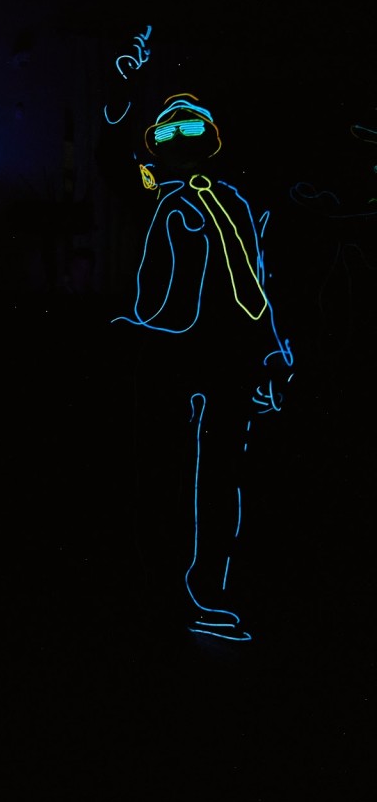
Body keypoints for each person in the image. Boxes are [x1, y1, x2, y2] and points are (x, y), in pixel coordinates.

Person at [113, 93, 291, 641]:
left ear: (208, 139)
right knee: (164, 473)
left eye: (188, 131)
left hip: (227, 357)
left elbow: (253, 279)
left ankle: (207, 590)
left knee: (219, 475)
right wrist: (120, 97)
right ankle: (165, 593)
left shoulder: (231, 200)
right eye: (165, 134)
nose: (177, 141)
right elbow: (116, 164)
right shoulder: (151, 192)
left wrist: (269, 350)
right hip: (168, 353)